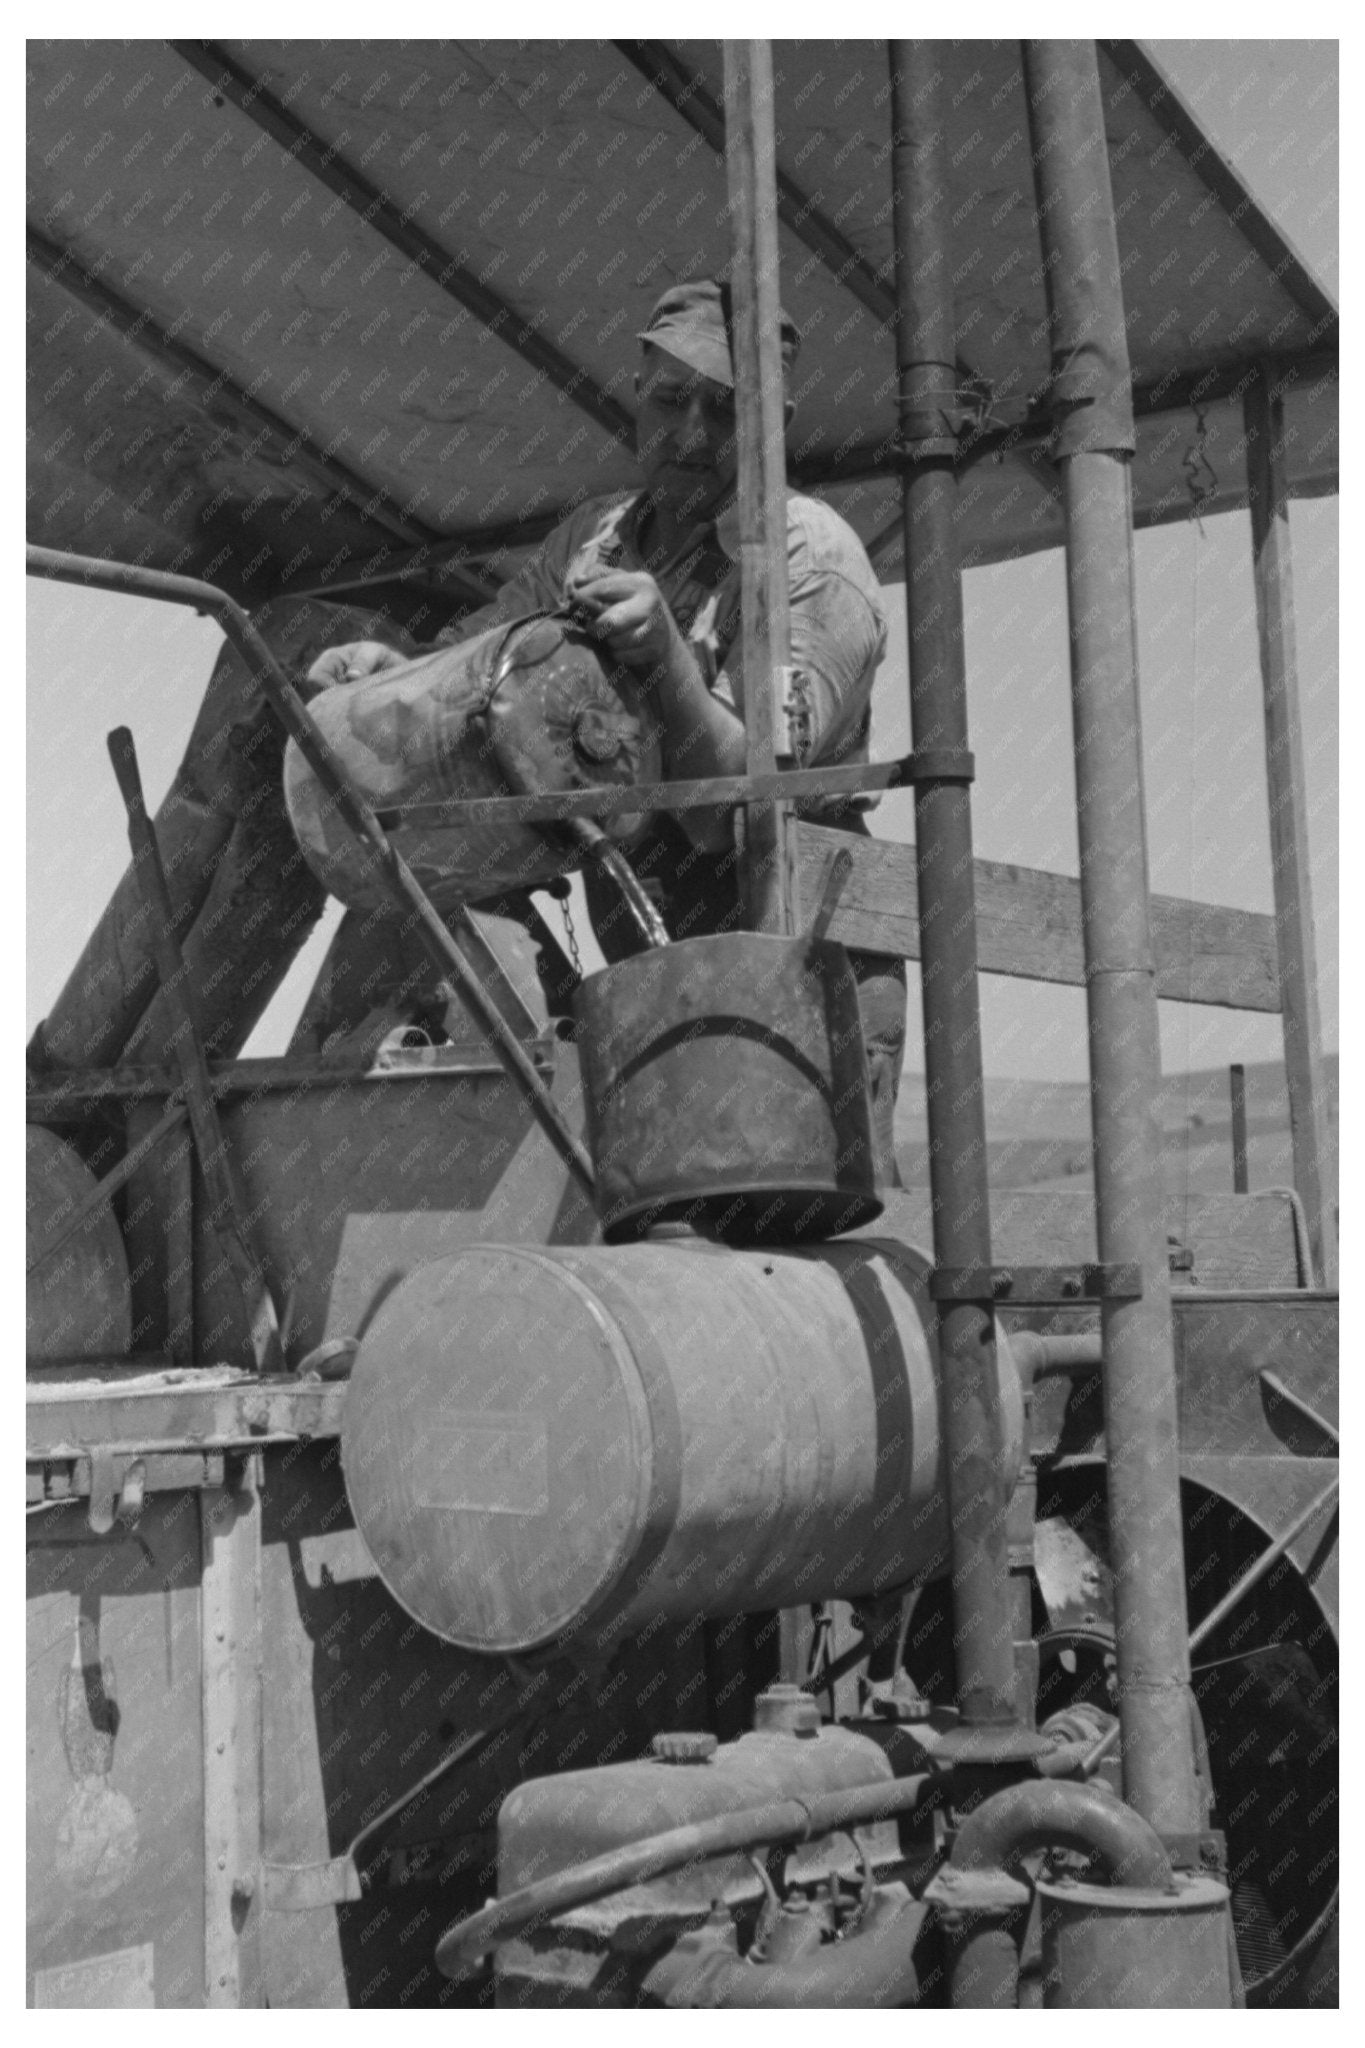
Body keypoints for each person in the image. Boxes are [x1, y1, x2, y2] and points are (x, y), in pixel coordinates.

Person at [309, 278, 906, 1178]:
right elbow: (478, 663)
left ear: (774, 425)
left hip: (795, 966)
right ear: (635, 395)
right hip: (652, 962)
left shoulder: (810, 565)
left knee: (775, 1219)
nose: (691, 435)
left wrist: (666, 656)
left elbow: (733, 812)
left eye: (724, 410)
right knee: (661, 1212)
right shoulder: (593, 539)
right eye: (670, 401)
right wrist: (392, 671)